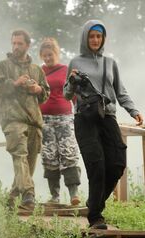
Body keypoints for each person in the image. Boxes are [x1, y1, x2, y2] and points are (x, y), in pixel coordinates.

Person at [64, 20, 144, 229]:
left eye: (99, 36)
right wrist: (72, 82)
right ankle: (95, 216)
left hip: (108, 117)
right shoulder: (75, 62)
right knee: (96, 165)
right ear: (85, 38)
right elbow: (66, 94)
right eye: (91, 36)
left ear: (103, 39)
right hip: (85, 118)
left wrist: (134, 111)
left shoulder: (111, 63)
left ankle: (94, 202)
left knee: (117, 164)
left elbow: (120, 91)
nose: (95, 40)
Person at [0, 30, 50, 208]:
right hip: (12, 119)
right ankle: (28, 194)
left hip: (33, 120)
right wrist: (14, 84)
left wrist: (37, 89)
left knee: (29, 162)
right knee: (19, 155)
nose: (15, 47)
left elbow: (46, 94)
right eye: (13, 43)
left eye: (19, 44)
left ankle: (13, 195)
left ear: (27, 46)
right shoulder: (3, 66)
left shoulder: (36, 70)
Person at [39, 38, 81, 206]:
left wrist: (79, 111)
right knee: (49, 156)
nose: (48, 58)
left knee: (68, 153)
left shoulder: (66, 70)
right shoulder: (39, 71)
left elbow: (75, 92)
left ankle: (73, 194)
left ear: (57, 53)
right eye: (45, 56)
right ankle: (54, 196)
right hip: (44, 119)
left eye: (50, 55)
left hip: (65, 118)